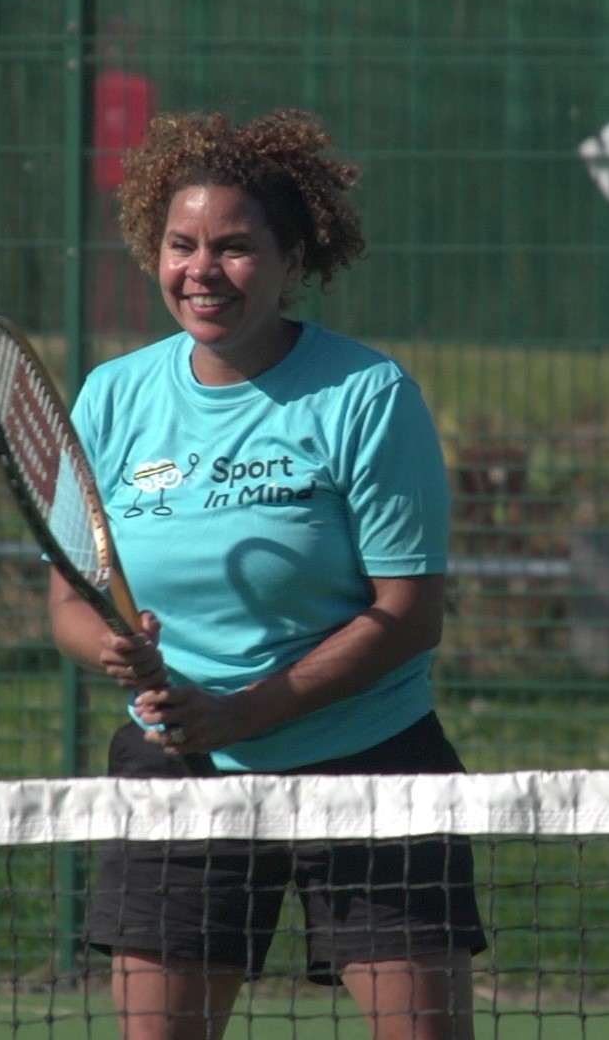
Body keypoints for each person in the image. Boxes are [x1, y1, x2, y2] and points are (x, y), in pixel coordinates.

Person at [47, 108, 485, 1040]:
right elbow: (70, 605)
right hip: (177, 773)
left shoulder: (367, 396)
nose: (201, 271)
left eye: (236, 248)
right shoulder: (113, 397)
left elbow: (407, 615)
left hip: (372, 763)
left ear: (295, 262)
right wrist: (119, 651)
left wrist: (248, 711)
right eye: (181, 244)